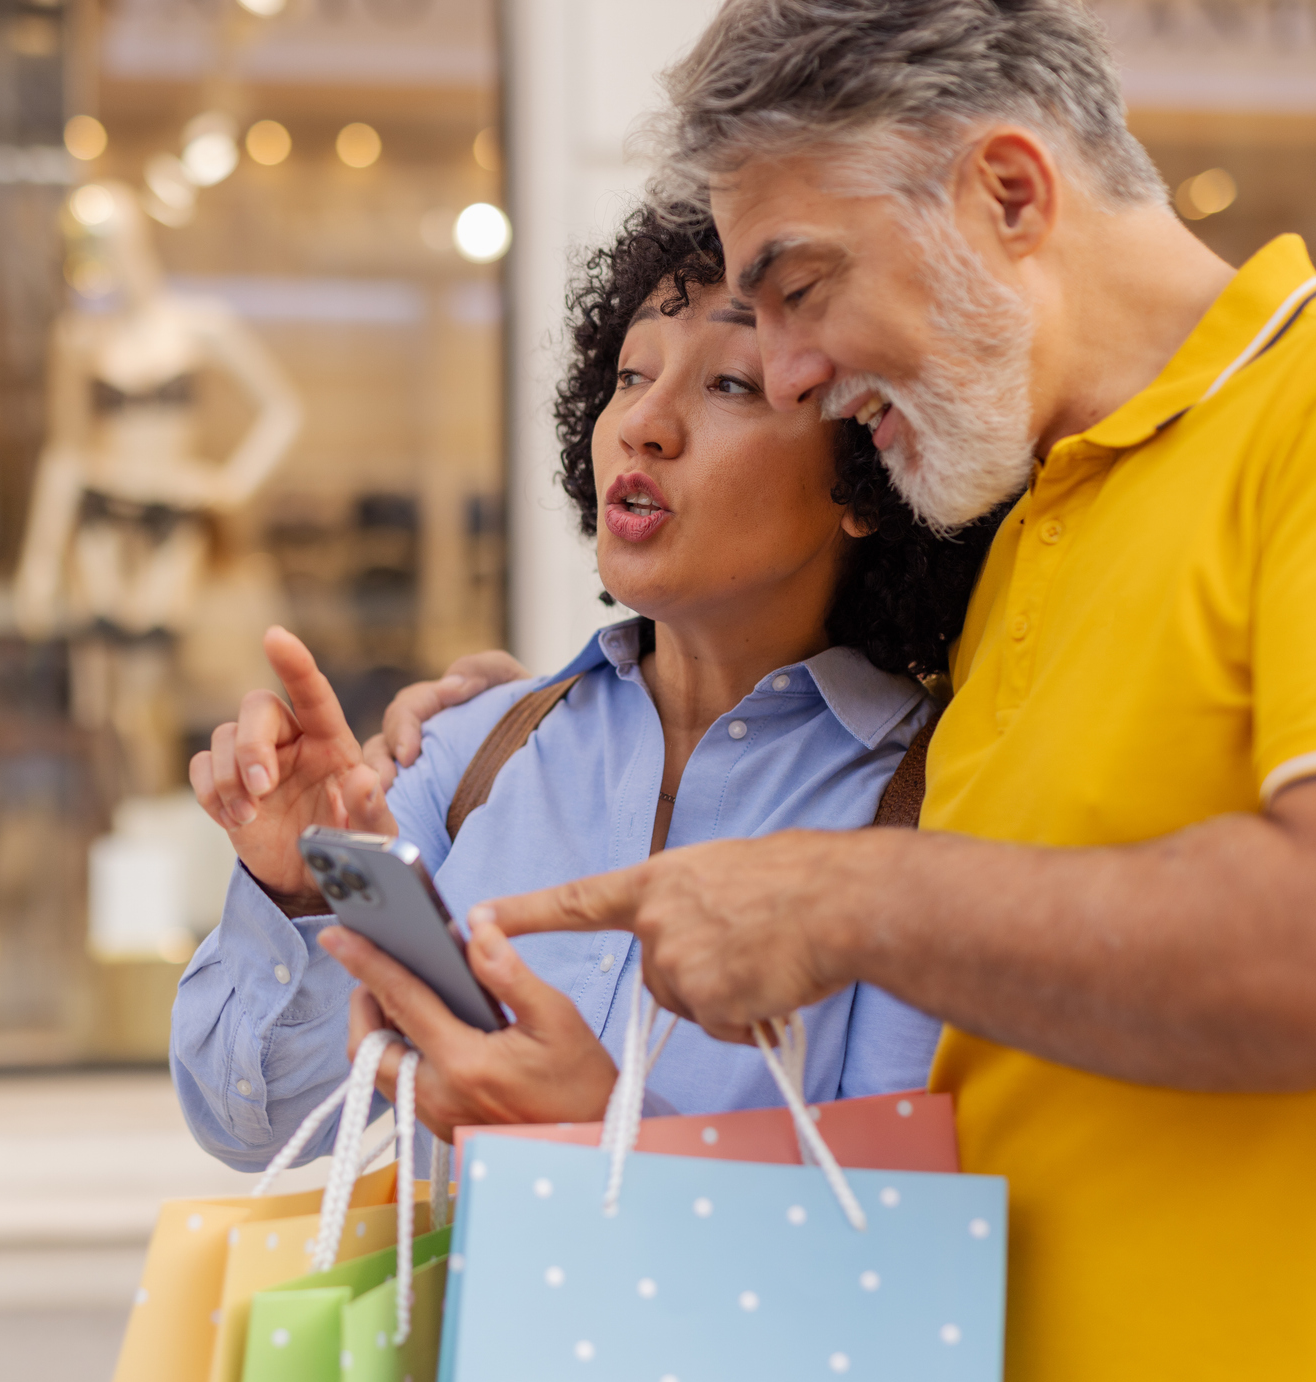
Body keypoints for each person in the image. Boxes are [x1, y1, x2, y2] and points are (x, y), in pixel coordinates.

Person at [362, 2, 1316, 1382]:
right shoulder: (1023, 549)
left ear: (1007, 193)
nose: (794, 371)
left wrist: (839, 899)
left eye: (802, 286)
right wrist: (540, 714)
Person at [169, 211, 992, 1165]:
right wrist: (299, 888)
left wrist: (609, 1134)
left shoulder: (932, 808)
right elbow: (254, 1124)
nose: (642, 424)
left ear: (871, 468)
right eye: (630, 376)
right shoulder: (468, 750)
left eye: (731, 383)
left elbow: (895, 1218)